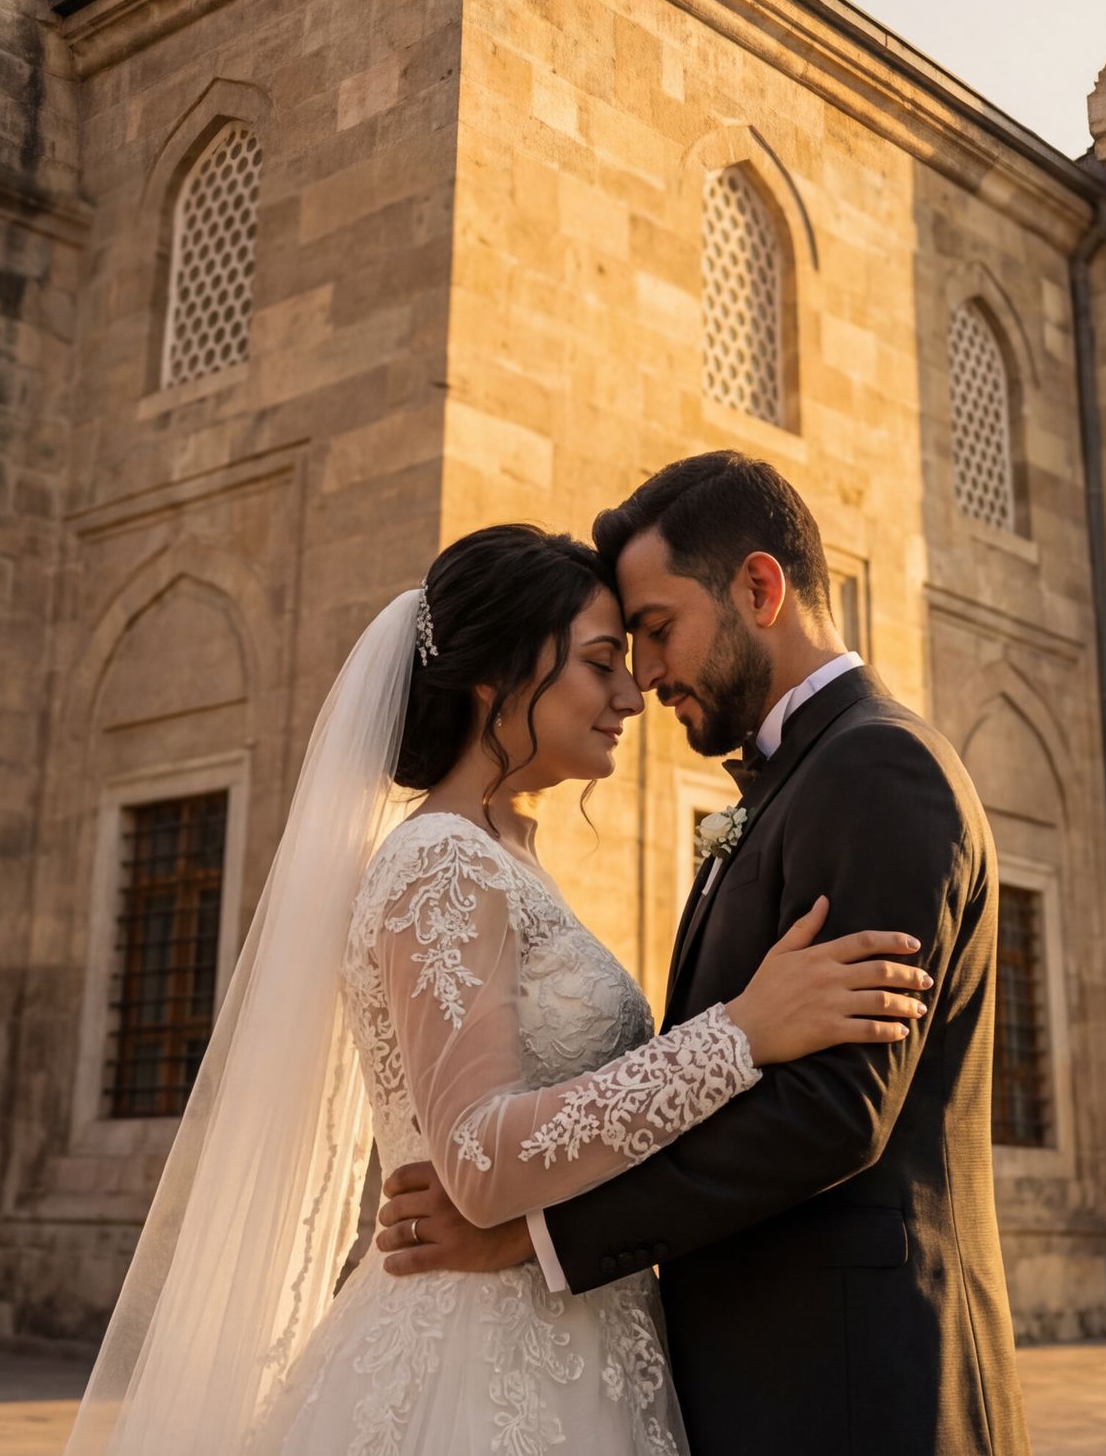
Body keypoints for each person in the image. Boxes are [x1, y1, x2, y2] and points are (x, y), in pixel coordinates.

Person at [62, 520, 934, 1454]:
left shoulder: (506, 854)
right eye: (601, 662)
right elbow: (477, 1160)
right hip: (480, 1364)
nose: (632, 694)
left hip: (583, 1338)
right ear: (501, 675)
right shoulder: (440, 862)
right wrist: (739, 1034)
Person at [376, 453, 1031, 1455]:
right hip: (741, 1383)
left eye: (653, 632)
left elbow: (833, 1110)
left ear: (759, 589)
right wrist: (738, 1034)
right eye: (613, 652)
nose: (642, 678)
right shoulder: (791, 782)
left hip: (856, 1388)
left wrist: (530, 1237)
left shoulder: (877, 766)